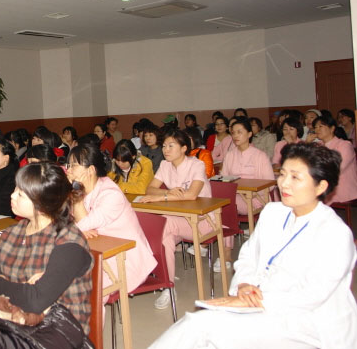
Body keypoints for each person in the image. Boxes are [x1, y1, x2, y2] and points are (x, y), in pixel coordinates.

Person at [150, 142, 357, 349]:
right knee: (200, 326)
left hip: (309, 324)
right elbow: (248, 256)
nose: (284, 183)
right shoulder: (273, 213)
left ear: (321, 186)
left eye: (295, 177)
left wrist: (256, 300)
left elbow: (313, 294)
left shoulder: (334, 233)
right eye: (283, 174)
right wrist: (244, 284)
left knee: (201, 325)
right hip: (260, 305)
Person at [0, 162, 93, 347]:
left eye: (20, 194)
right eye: (15, 189)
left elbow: (36, 301)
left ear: (41, 204)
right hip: (14, 322)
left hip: (60, 329)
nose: (12, 195)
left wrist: (0, 283)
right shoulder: (12, 234)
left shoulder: (69, 242)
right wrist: (25, 290)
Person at [67, 144, 157, 295]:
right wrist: (80, 228)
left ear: (90, 170)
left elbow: (81, 224)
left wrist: (76, 192)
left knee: (83, 288)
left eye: (73, 165)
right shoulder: (86, 190)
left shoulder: (111, 194)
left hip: (124, 261)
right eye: (68, 165)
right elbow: (64, 219)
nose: (68, 171)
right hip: (97, 254)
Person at [140, 129, 213, 310]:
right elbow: (150, 189)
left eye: (171, 146)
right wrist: (168, 192)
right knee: (165, 236)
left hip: (203, 221)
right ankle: (168, 286)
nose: (166, 149)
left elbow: (191, 195)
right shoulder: (165, 165)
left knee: (164, 223)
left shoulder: (196, 165)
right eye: (164, 146)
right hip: (179, 220)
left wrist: (162, 197)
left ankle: (149, 269)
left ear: (184, 148)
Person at [217, 119, 274, 272]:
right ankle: (226, 253)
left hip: (256, 199)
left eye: (240, 132)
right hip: (235, 199)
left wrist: (250, 190)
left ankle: (227, 253)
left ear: (249, 134)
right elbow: (224, 179)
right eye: (233, 133)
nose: (235, 136)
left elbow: (270, 183)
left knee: (227, 204)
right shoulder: (230, 155)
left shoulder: (259, 155)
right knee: (224, 205)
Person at [313, 115, 357, 204]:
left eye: (321, 126)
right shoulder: (317, 146)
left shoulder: (344, 145)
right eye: (315, 127)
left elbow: (338, 168)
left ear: (332, 128)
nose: (317, 130)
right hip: (322, 186)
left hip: (341, 188)